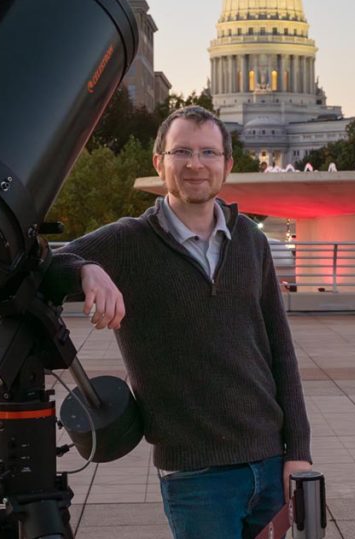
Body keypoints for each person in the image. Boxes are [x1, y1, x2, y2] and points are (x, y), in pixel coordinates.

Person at [59, 105, 311, 539]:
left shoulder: (251, 240)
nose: (196, 164)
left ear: (227, 166)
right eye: (182, 152)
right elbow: (42, 265)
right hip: (196, 477)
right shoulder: (128, 240)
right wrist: (85, 269)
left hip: (270, 464)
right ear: (160, 163)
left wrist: (299, 452)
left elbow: (281, 352)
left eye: (209, 153)